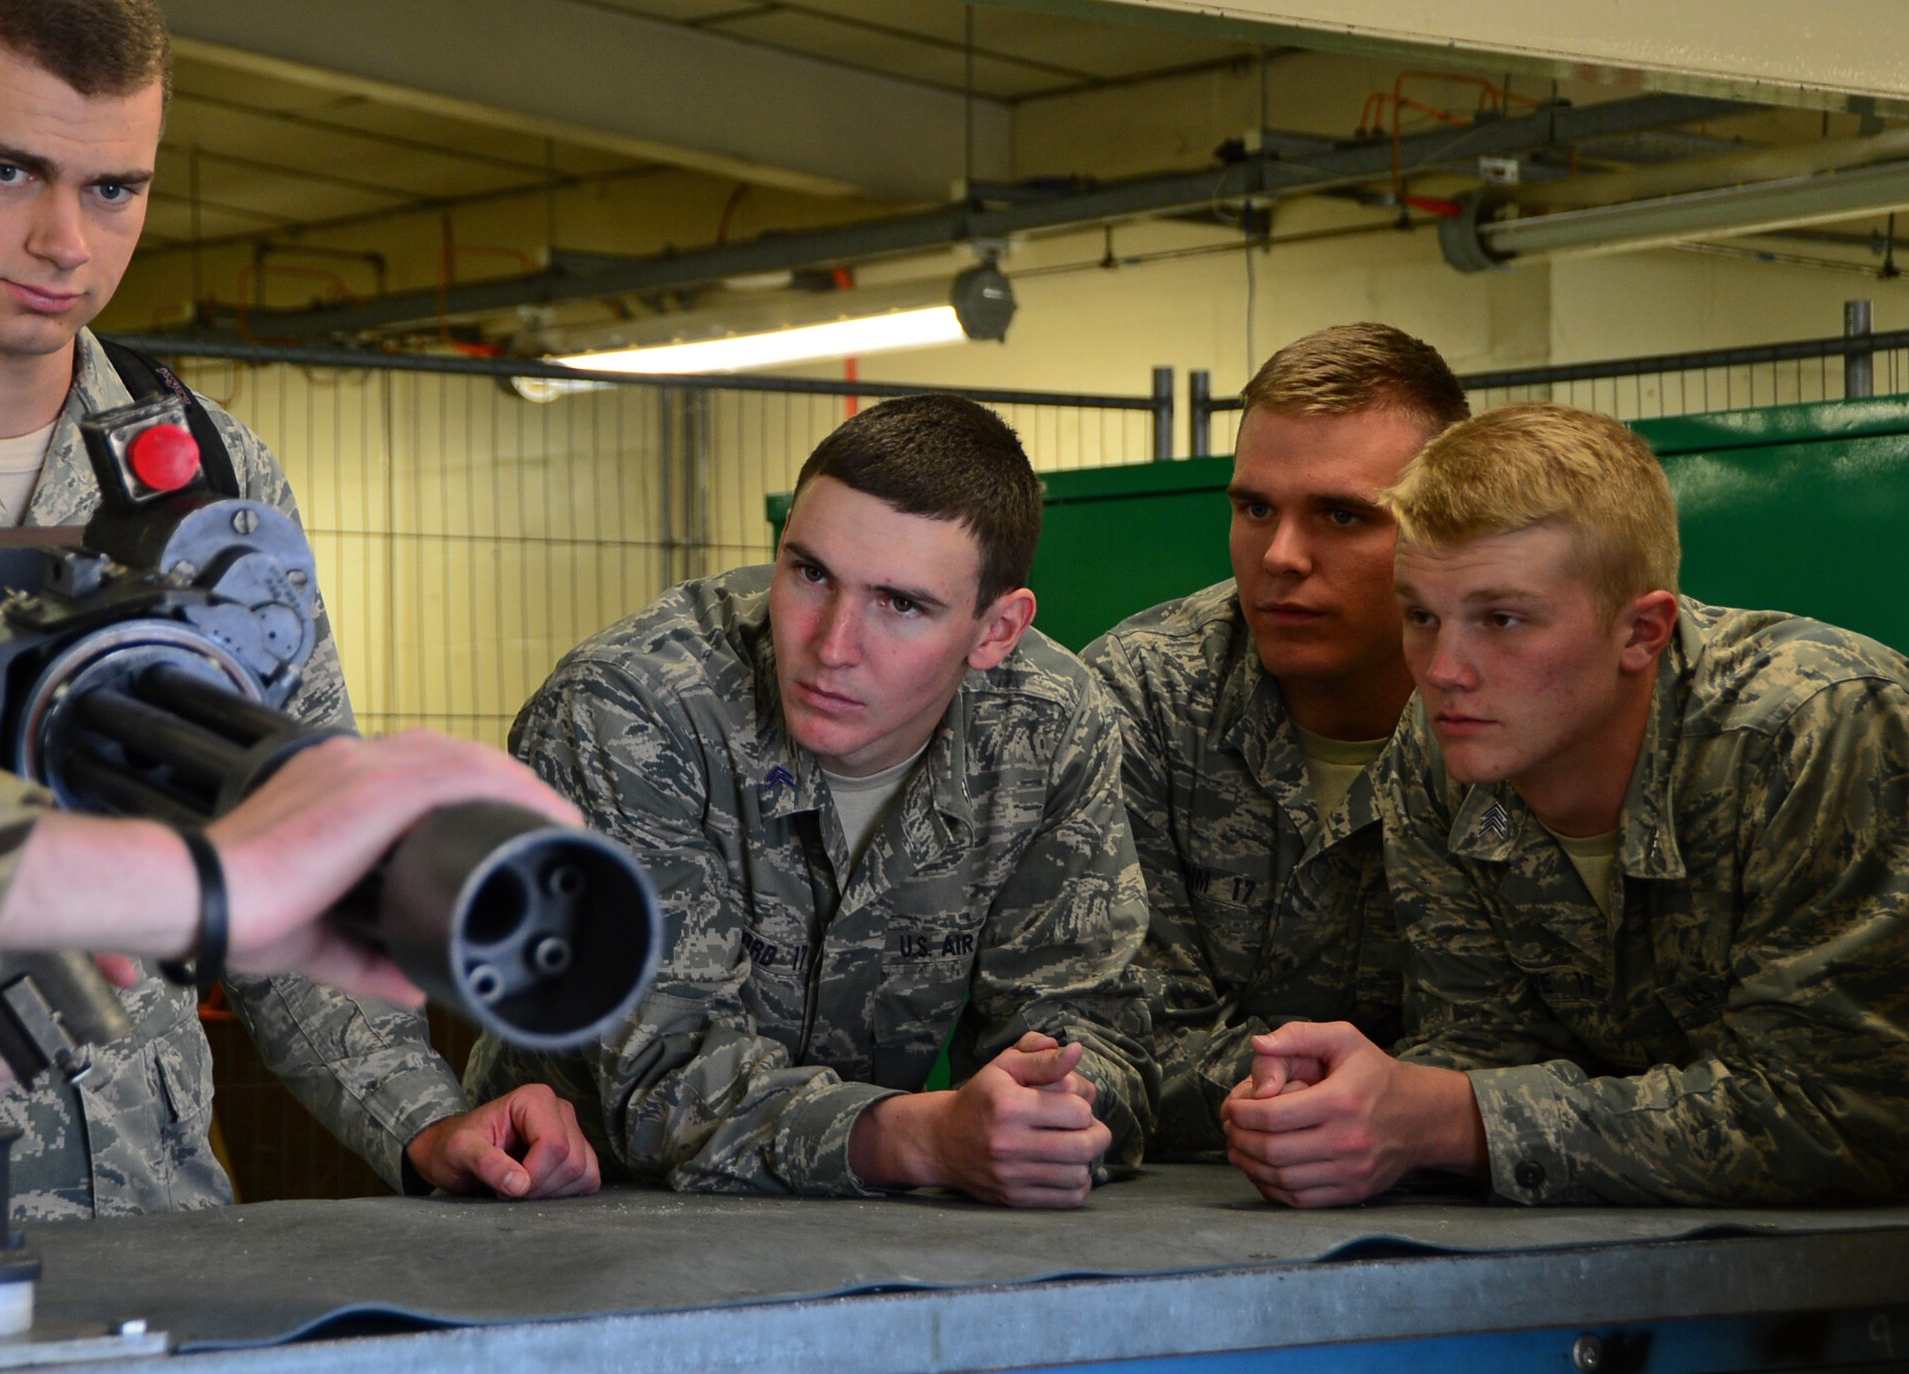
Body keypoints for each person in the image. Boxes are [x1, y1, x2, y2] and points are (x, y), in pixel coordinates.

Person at [0, 0, 594, 1213]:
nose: (67, 239)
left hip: (163, 1239)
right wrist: (214, 882)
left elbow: (290, 829)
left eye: (116, 188)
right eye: (10, 169)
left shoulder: (209, 478)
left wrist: (428, 1121)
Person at [467, 394, 1159, 1208]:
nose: (832, 646)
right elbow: (662, 1087)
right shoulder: (632, 710)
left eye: (900, 604)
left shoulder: (1046, 724)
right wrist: (928, 1137)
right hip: (565, 1214)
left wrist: (1047, 1113)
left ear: (996, 631)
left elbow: (1095, 1031)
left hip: (859, 1228)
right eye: (810, 573)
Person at [1223, 403, 1909, 1207]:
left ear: (1642, 632)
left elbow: (1847, 1112)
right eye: (1421, 617)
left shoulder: (1819, 728)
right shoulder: (1439, 753)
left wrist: (1453, 1122)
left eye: (1502, 620)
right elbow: (1483, 1048)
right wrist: (1334, 1109)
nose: (1444, 670)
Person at [1082, 323, 1467, 1157]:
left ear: (1445, 523)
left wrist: (1424, 1113)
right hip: (1194, 1214)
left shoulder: (1516, 700)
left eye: (1342, 515)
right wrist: (1366, 1105)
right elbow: (1117, 1038)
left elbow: (1545, 1043)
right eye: (1256, 508)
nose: (1282, 556)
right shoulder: (1140, 695)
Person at [0, 730, 590, 1173]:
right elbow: (272, 872)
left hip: (161, 1233)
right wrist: (199, 884)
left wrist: (429, 1124)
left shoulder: (231, 507)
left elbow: (307, 865)